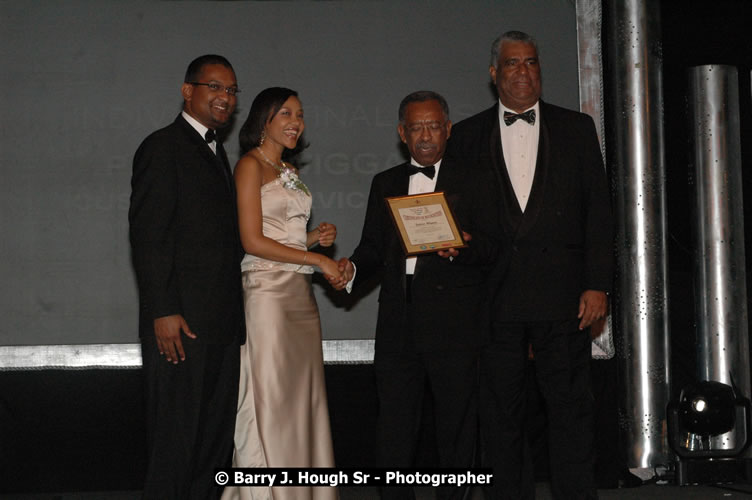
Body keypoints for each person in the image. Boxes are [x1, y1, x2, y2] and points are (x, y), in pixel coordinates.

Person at [447, 31, 613, 499]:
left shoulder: (577, 128)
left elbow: (598, 213)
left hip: (565, 300)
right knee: (500, 418)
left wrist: (598, 283)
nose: (523, 71)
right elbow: (460, 219)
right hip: (494, 301)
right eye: (512, 63)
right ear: (494, 73)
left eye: (531, 62)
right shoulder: (467, 134)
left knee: (571, 415)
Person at [335, 91, 500, 500]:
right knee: (393, 429)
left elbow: (496, 248)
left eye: (433, 126)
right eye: (415, 127)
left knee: (457, 429)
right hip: (397, 322)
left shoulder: (477, 177)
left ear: (447, 129)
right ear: (401, 133)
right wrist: (351, 269)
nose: (425, 136)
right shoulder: (385, 183)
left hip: (455, 324)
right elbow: (372, 248)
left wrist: (464, 247)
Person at [129, 54, 244, 499]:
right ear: (187, 90)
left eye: (232, 90)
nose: (225, 98)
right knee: (175, 447)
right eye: (215, 87)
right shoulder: (163, 146)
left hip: (220, 325)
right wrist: (163, 310)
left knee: (213, 447)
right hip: (179, 327)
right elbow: (148, 234)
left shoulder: (217, 153)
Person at [221, 87, 341, 500]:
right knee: (272, 402)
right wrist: (320, 261)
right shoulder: (249, 167)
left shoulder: (290, 170)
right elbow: (252, 241)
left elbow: (284, 239)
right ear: (264, 120)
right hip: (267, 297)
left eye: (301, 115)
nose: (296, 122)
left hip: (299, 298)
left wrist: (312, 239)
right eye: (287, 113)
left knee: (301, 404)